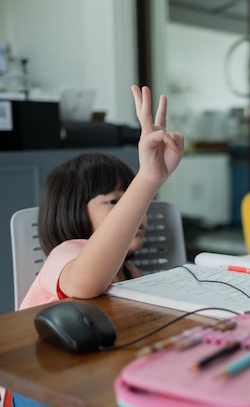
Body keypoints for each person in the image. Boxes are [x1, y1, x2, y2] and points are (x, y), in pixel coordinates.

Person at [4, 85, 184, 407]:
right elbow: (86, 284)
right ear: (73, 210)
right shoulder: (66, 255)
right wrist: (147, 181)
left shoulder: (129, 270)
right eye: (117, 201)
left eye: (134, 200)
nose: (136, 211)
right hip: (36, 388)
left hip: (91, 377)